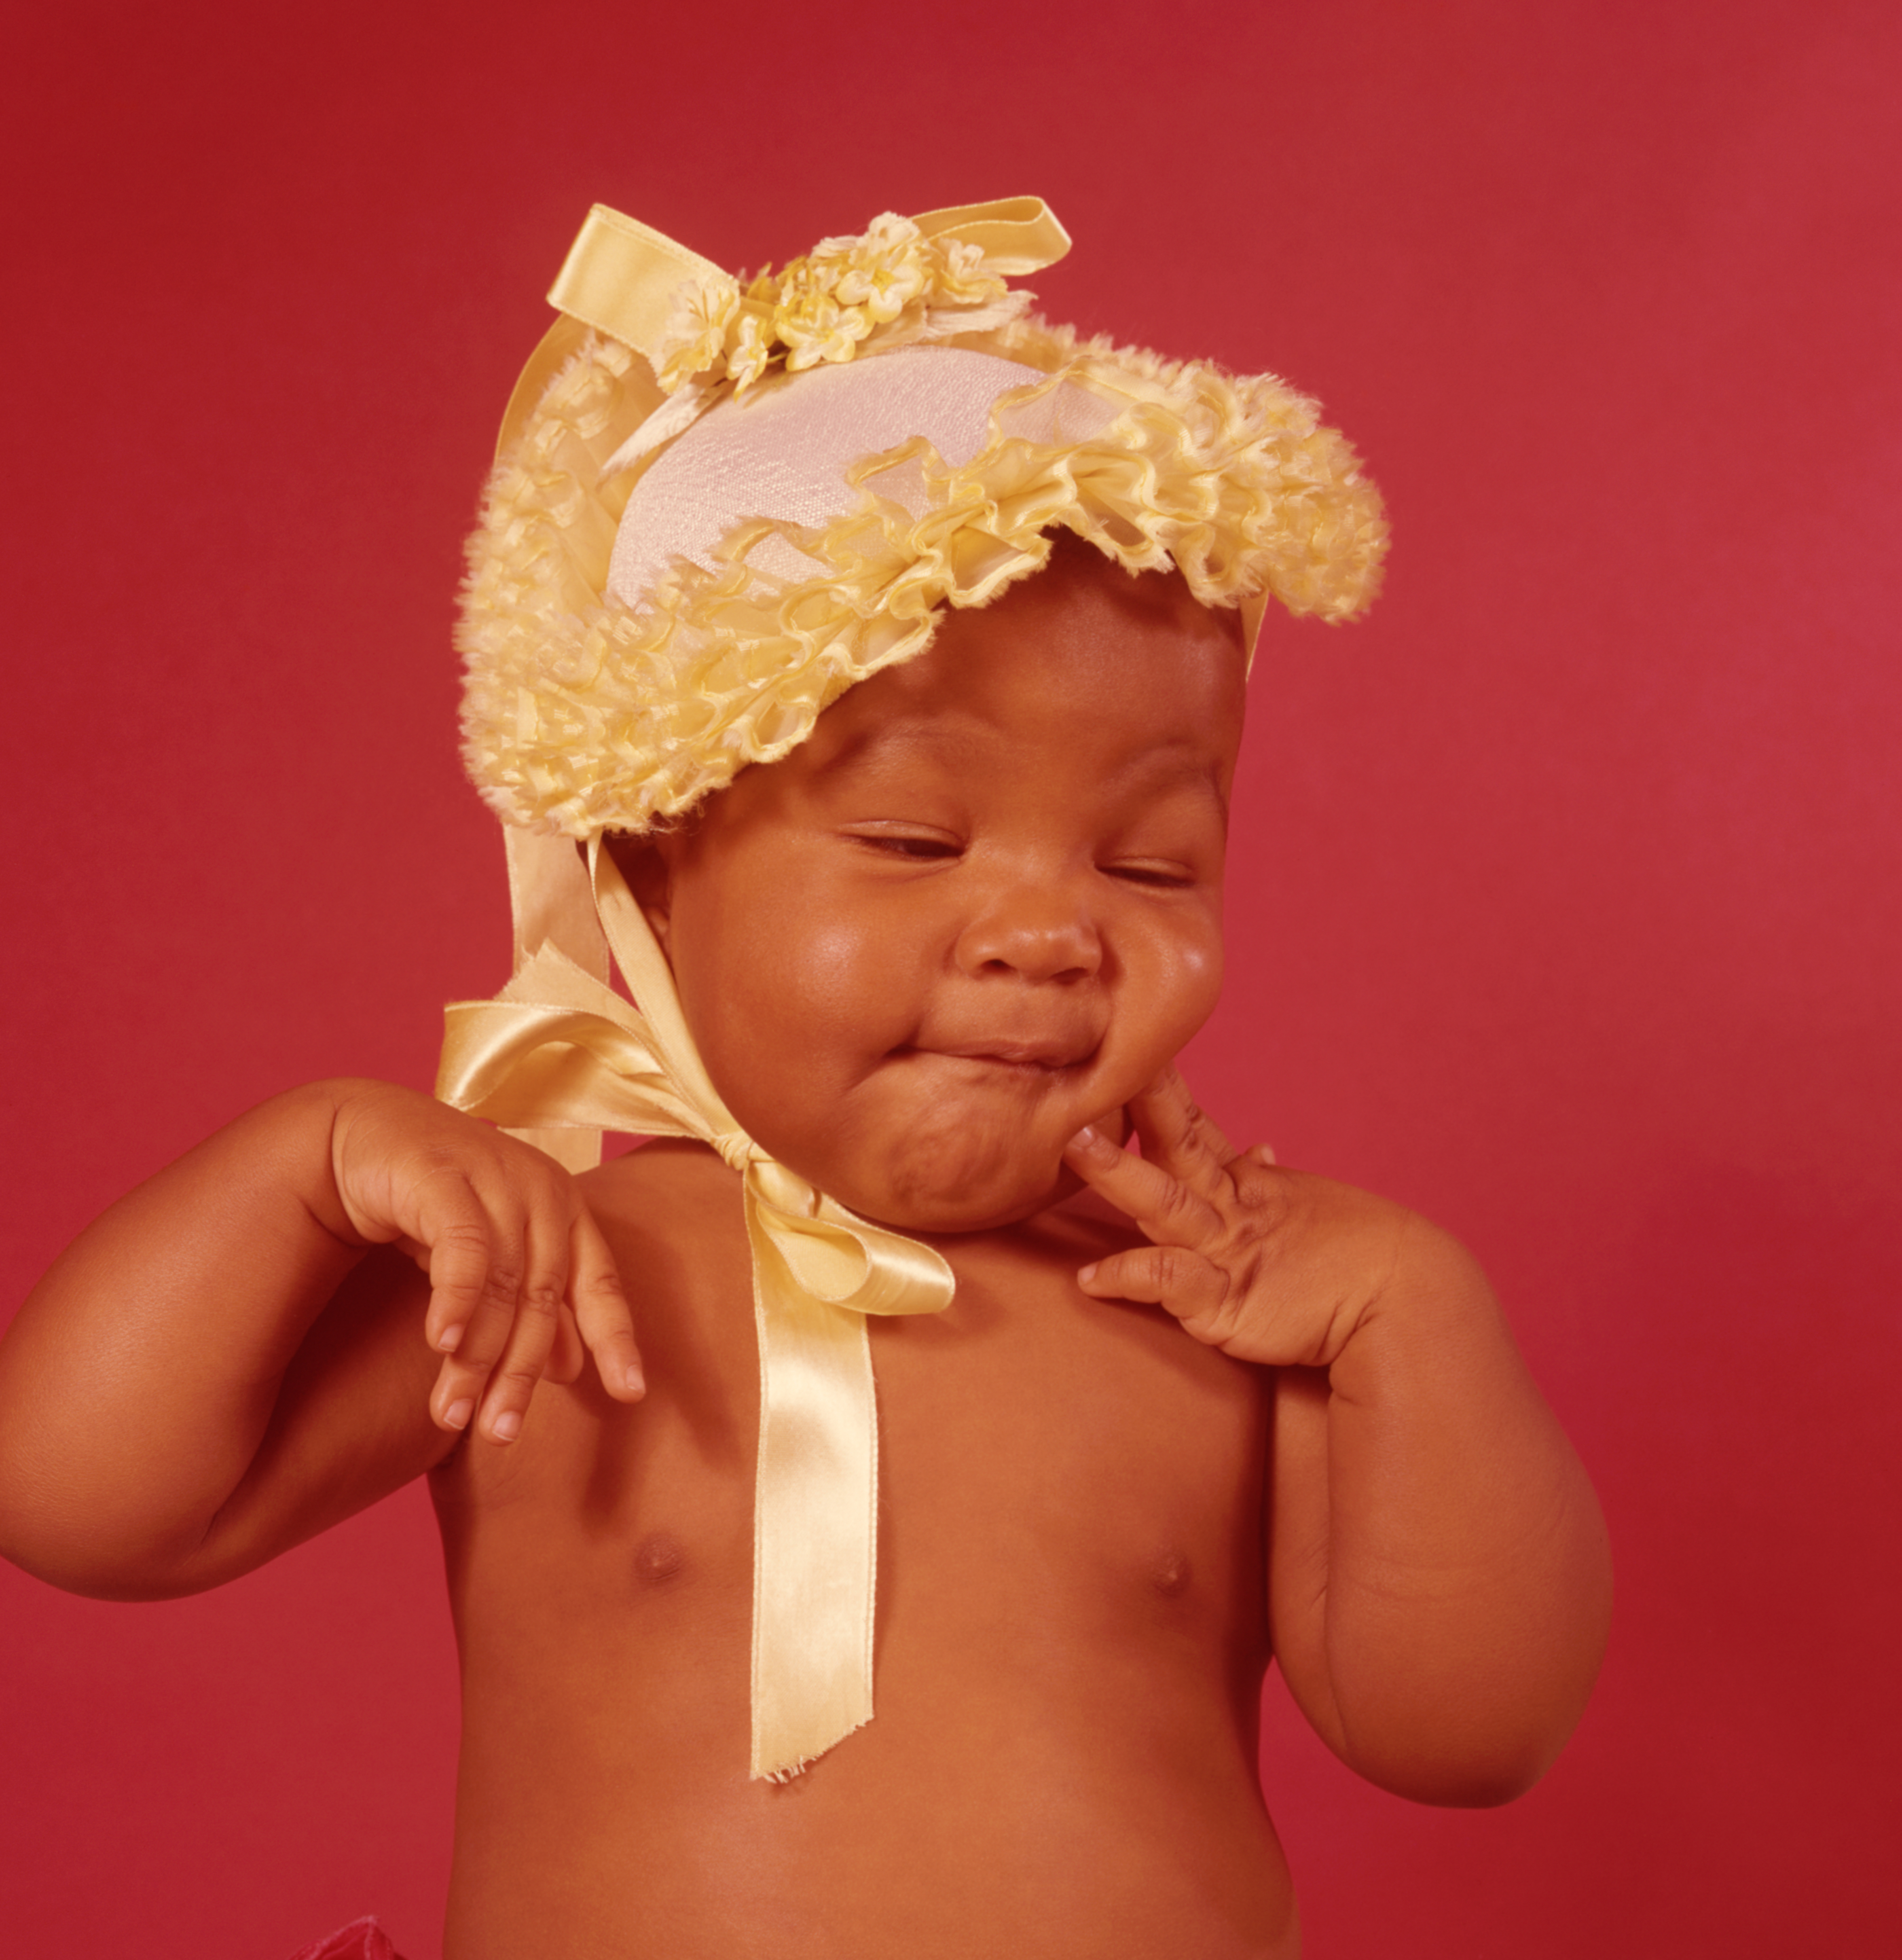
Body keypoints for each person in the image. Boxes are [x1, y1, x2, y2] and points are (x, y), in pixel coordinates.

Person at [0, 198, 1611, 1959]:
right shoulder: (549, 1273)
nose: (1051, 932)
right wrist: (297, 1168)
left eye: (1150, 866)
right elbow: (83, 1505)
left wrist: (1407, 1309)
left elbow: (1468, 1734)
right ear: (658, 868)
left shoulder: (1218, 1311)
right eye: (919, 836)